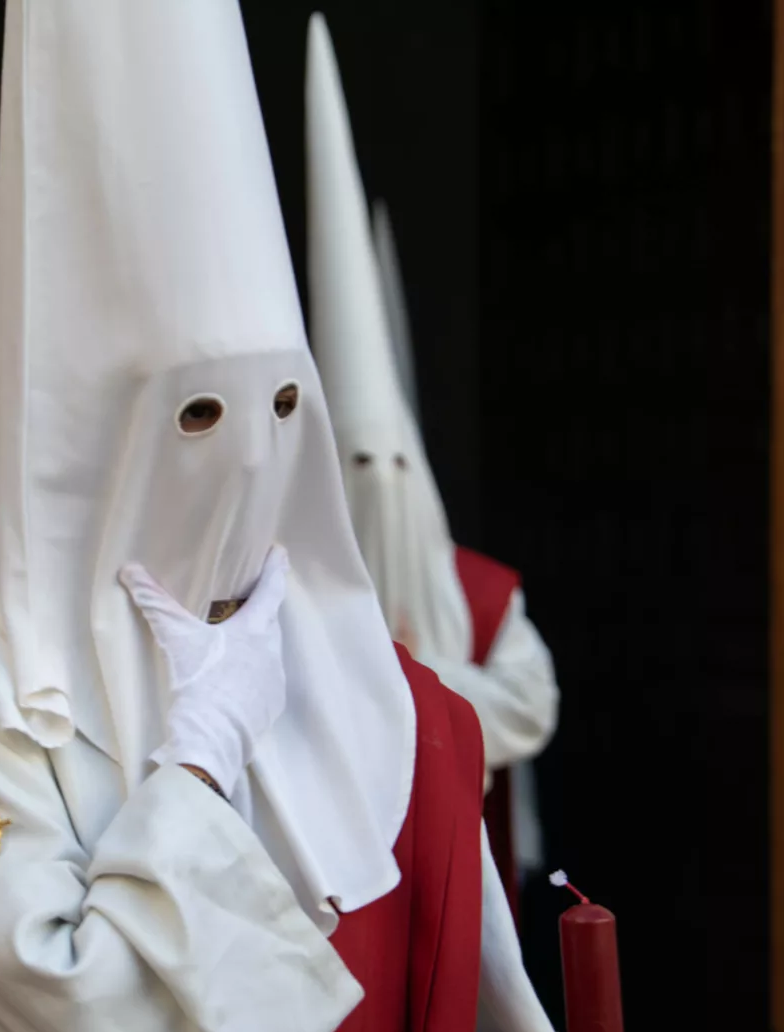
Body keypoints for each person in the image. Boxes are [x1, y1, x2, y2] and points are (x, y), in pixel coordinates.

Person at [0, 2, 564, 1032]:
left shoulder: (386, 692)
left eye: (284, 407)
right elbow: (70, 1021)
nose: (249, 458)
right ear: (100, 444)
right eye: (198, 414)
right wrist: (200, 758)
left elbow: (479, 1004)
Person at [304, 13, 560, 913]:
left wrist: (403, 677)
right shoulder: (283, 594)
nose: (378, 481)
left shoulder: (485, 594)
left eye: (392, 466)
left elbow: (529, 706)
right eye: (355, 465)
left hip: (465, 865)